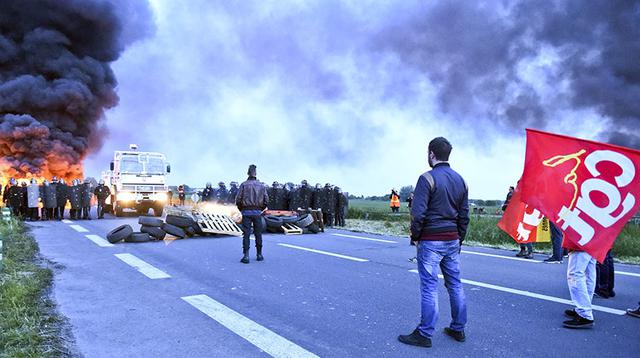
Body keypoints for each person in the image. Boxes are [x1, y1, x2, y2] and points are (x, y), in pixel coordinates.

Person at [399, 136, 469, 348]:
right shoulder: (461, 180)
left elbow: (417, 214)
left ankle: (425, 333)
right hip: (452, 240)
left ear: (431, 154)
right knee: (455, 284)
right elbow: (464, 215)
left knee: (429, 286)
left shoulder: (426, 179)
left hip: (430, 240)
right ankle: (458, 328)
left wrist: (416, 237)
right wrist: (459, 239)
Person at [236, 165, 268, 264]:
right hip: (257, 212)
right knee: (258, 234)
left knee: (246, 234)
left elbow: (238, 200)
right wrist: (260, 209)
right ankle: (259, 254)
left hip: (246, 212)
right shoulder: (261, 185)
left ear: (248, 173)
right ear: (255, 174)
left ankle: (246, 256)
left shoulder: (244, 185)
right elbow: (266, 200)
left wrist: (242, 209)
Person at [562, 240, 597, 329]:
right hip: (594, 237)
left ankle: (584, 312)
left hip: (580, 238)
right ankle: (584, 307)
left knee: (575, 274)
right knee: (588, 273)